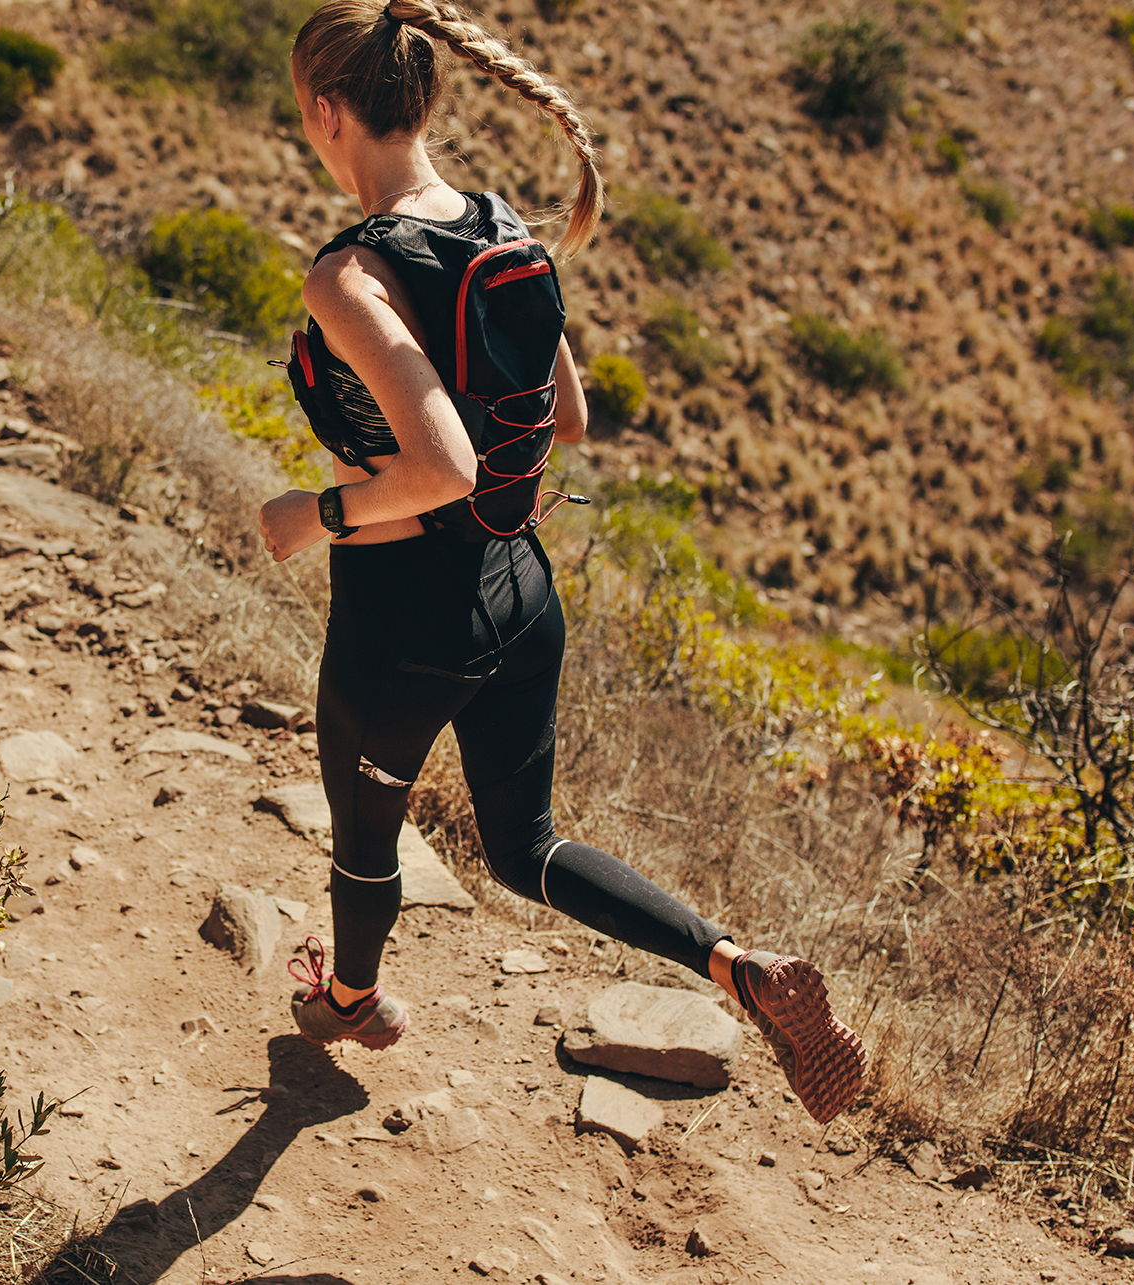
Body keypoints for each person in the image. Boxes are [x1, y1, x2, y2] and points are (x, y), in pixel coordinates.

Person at [259, 0, 867, 1125]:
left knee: (363, 842)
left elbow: (438, 465)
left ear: (325, 110)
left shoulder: (348, 276)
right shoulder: (502, 228)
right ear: (426, 98)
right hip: (518, 596)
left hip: (402, 627)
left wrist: (314, 511)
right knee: (523, 845)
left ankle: (350, 997)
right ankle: (736, 967)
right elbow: (568, 417)